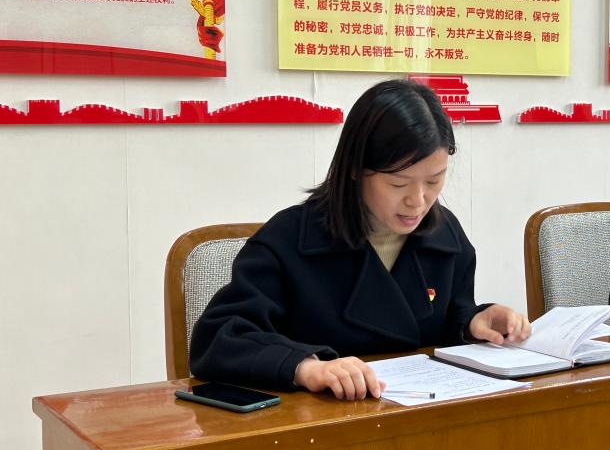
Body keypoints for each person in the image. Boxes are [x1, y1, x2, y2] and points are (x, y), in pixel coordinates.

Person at [189, 80, 530, 400]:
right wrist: (305, 367)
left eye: (434, 181)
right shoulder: (288, 240)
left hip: (420, 417)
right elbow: (220, 339)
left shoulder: (445, 235)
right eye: (398, 184)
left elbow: (443, 319)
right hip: (320, 425)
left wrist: (471, 323)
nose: (418, 201)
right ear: (355, 168)